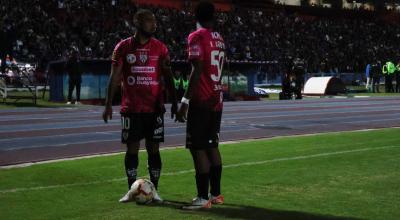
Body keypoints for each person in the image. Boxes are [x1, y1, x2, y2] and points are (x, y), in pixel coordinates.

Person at [102, 9, 177, 203]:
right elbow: (115, 76)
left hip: (154, 108)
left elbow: (168, 77)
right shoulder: (122, 47)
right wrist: (108, 104)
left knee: (154, 150)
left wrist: (175, 102)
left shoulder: (161, 48)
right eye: (149, 21)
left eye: (155, 21)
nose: (154, 24)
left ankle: (155, 190)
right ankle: (131, 190)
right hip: (131, 109)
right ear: (137, 23)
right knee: (132, 150)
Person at [176, 1, 225, 210]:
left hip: (202, 100)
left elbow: (196, 69)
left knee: (197, 148)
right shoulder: (219, 38)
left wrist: (185, 101)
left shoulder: (196, 36)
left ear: (195, 15)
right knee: (212, 145)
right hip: (217, 100)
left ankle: (202, 197)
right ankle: (216, 194)